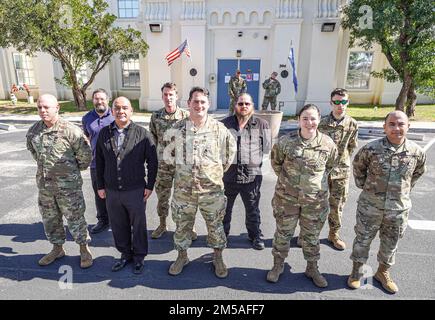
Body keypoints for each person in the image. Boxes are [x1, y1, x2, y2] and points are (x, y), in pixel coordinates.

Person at [347, 111, 426, 294]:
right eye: (391, 124)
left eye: (401, 124)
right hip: (370, 206)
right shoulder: (371, 149)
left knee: (391, 243)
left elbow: (417, 173)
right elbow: (358, 167)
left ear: (408, 126)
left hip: (398, 209)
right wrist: (365, 187)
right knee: (362, 240)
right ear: (385, 127)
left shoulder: (416, 152)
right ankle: (356, 273)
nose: (396, 128)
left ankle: (383, 273)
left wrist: (403, 191)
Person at [167, 87, 236, 278]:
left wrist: (214, 172)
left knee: (215, 226)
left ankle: (218, 257)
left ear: (208, 104)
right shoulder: (177, 129)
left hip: (211, 191)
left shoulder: (219, 129)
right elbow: (168, 156)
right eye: (195, 101)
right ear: (188, 103)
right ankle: (182, 256)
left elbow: (229, 155)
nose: (199, 105)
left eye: (203, 102)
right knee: (182, 225)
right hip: (183, 190)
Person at [267, 104, 338, 287]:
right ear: (298, 120)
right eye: (305, 118)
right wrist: (291, 184)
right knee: (283, 234)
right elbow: (276, 163)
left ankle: (312, 267)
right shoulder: (285, 141)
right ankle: (277, 265)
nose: (309, 122)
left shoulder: (328, 144)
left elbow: (330, 167)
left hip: (314, 203)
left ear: (319, 120)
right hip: (286, 200)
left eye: (313, 118)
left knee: (311, 236)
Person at [26, 94, 93, 268]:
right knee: (50, 219)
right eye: (40, 107)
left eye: (46, 107)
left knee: (75, 218)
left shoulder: (71, 131)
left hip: (68, 188)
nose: (42, 110)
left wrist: (69, 173)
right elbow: (35, 154)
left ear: (57, 108)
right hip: (45, 187)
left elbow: (85, 157)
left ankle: (84, 249)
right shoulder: (33, 131)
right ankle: (57, 248)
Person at [96, 97, 158, 274]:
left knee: (138, 224)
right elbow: (99, 162)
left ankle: (139, 257)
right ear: (112, 110)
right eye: (117, 108)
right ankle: (125, 254)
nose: (121, 111)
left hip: (136, 190)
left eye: (125, 108)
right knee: (118, 224)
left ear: (131, 111)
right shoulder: (104, 133)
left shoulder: (143, 134)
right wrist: (100, 186)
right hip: (112, 190)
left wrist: (150, 185)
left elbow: (153, 162)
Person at [221, 93, 271, 250]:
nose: (243, 106)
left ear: (252, 106)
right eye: (240, 103)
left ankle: (255, 236)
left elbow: (267, 148)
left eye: (247, 104)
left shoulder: (262, 124)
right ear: (235, 105)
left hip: (251, 177)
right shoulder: (224, 124)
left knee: (253, 209)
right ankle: (222, 236)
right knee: (224, 210)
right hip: (228, 176)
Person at [317, 88, 358, 250]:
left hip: (341, 172)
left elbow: (352, 147)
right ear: (331, 103)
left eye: (343, 101)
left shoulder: (353, 124)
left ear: (347, 102)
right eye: (337, 102)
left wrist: (341, 161)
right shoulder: (321, 123)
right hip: (321, 171)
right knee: (315, 203)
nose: (340, 105)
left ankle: (334, 234)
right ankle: (308, 233)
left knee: (337, 204)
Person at [149, 82, 191, 239]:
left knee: (184, 198)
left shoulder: (186, 117)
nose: (168, 98)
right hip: (163, 166)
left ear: (176, 96)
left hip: (182, 165)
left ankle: (187, 226)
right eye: (165, 95)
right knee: (162, 196)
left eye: (171, 95)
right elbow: (152, 139)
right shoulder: (156, 117)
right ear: (162, 97)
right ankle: (162, 224)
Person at [82, 88, 114, 234]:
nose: (99, 101)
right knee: (99, 193)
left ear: (108, 99)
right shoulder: (87, 118)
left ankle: (116, 220)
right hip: (95, 163)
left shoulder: (115, 115)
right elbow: (86, 137)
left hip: (113, 163)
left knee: (115, 192)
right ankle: (103, 220)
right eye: (96, 98)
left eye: (102, 98)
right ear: (93, 100)